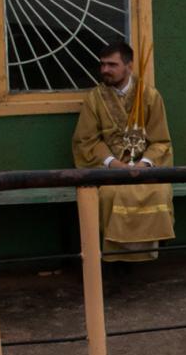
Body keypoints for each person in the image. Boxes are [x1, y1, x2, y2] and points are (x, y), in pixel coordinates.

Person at [70, 41, 174, 261]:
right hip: (109, 171)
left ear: (129, 66)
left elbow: (161, 141)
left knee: (158, 192)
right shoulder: (94, 99)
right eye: (102, 64)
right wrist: (112, 164)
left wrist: (144, 164)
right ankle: (115, 256)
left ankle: (146, 254)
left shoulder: (150, 96)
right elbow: (85, 141)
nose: (105, 70)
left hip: (143, 168)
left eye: (112, 64)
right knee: (109, 194)